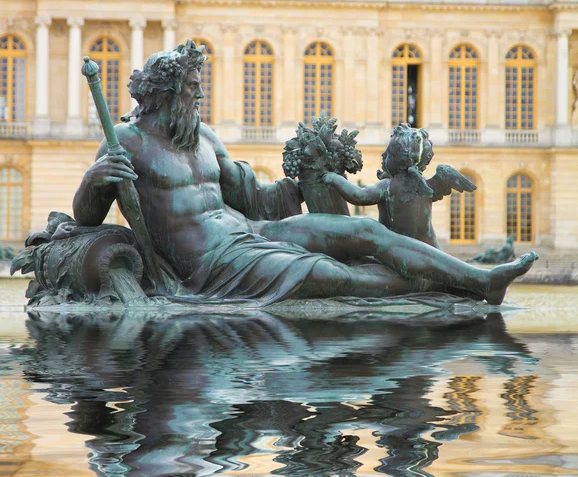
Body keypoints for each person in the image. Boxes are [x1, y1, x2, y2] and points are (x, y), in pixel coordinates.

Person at [73, 41, 537, 305]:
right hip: (212, 265)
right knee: (330, 274)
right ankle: (438, 285)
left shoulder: (206, 136)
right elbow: (87, 218)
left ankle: (481, 280)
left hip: (252, 232)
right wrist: (94, 180)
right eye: (193, 89)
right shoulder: (128, 143)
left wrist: (304, 180)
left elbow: (250, 193)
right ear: (169, 92)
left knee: (358, 230)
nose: (199, 96)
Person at [323, 123, 476, 249]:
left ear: (400, 159)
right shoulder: (422, 185)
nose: (383, 156)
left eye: (388, 153)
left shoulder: (388, 186)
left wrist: (334, 178)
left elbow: (359, 195)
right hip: (430, 252)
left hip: (404, 254)